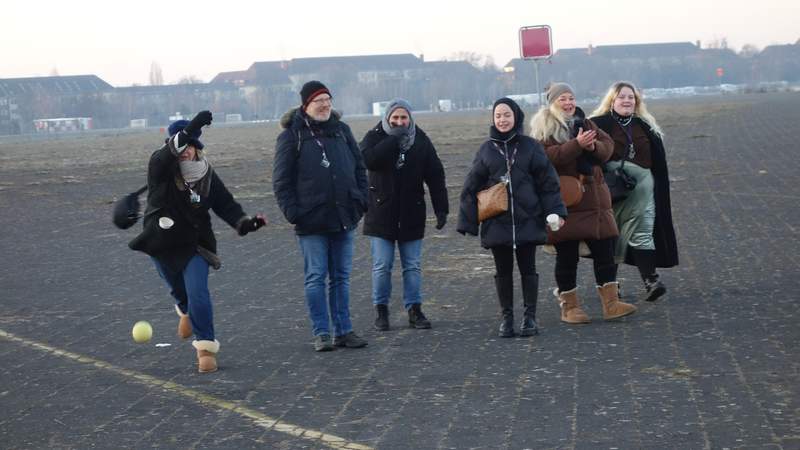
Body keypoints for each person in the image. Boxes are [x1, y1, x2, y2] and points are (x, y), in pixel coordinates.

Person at [129, 111, 266, 373]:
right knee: (179, 291)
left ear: (197, 148)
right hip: (162, 243)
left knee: (198, 293)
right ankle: (183, 310)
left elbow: (225, 204)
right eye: (182, 146)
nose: (186, 152)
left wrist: (245, 223)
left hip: (195, 244)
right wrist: (190, 129)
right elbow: (163, 157)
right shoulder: (159, 169)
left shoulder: (206, 174)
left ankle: (205, 347)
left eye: (191, 146)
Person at [457, 98, 566, 337]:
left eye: (507, 115)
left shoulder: (531, 147)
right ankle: (507, 319)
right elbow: (470, 186)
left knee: (529, 269)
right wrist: (467, 221)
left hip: (529, 220)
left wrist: (556, 211)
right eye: (498, 116)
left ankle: (530, 318)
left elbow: (548, 183)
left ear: (516, 116)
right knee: (502, 272)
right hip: (498, 222)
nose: (502, 120)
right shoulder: (486, 149)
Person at [273, 81, 369, 352]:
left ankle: (344, 330)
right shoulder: (292, 137)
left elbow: (360, 168)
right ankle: (322, 333)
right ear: (306, 105)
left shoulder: (342, 131)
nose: (325, 104)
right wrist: (294, 214)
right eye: (319, 100)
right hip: (311, 221)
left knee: (341, 277)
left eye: (328, 99)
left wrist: (360, 200)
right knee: (316, 277)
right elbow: (282, 181)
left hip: (344, 216)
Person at [530, 83, 637, 324]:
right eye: (562, 99)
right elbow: (547, 158)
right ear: (552, 102)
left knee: (605, 250)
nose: (568, 103)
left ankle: (611, 304)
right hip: (566, 201)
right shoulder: (543, 128)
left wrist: (592, 146)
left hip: (595, 199)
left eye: (571, 98)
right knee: (567, 255)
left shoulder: (586, 122)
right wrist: (576, 145)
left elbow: (608, 147)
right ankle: (570, 308)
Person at [359, 98, 448, 331]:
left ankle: (415, 310)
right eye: (395, 118)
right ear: (387, 118)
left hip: (412, 212)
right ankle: (381, 310)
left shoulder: (421, 140)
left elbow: (436, 175)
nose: (399, 122)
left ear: (410, 118)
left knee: (412, 265)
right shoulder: (374, 137)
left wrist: (441, 208)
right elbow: (368, 160)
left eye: (404, 118)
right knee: (382, 266)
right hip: (381, 212)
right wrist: (392, 140)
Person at [591, 81, 678, 301]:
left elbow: (658, 163)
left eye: (631, 97)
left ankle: (651, 280)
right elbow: (590, 155)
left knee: (644, 233)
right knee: (612, 237)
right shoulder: (598, 124)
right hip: (613, 192)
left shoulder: (646, 126)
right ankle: (610, 287)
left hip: (644, 191)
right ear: (612, 100)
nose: (627, 101)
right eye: (622, 97)